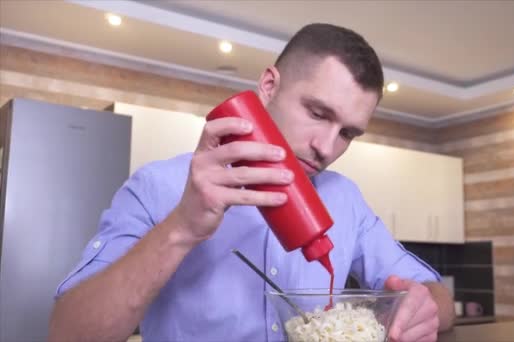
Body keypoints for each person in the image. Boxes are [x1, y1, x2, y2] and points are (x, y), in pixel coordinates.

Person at [49, 23, 455, 342]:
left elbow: (437, 296)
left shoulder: (345, 199)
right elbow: (66, 333)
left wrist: (423, 308)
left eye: (348, 133)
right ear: (268, 86)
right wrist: (181, 229)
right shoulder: (160, 185)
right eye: (317, 113)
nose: (326, 147)